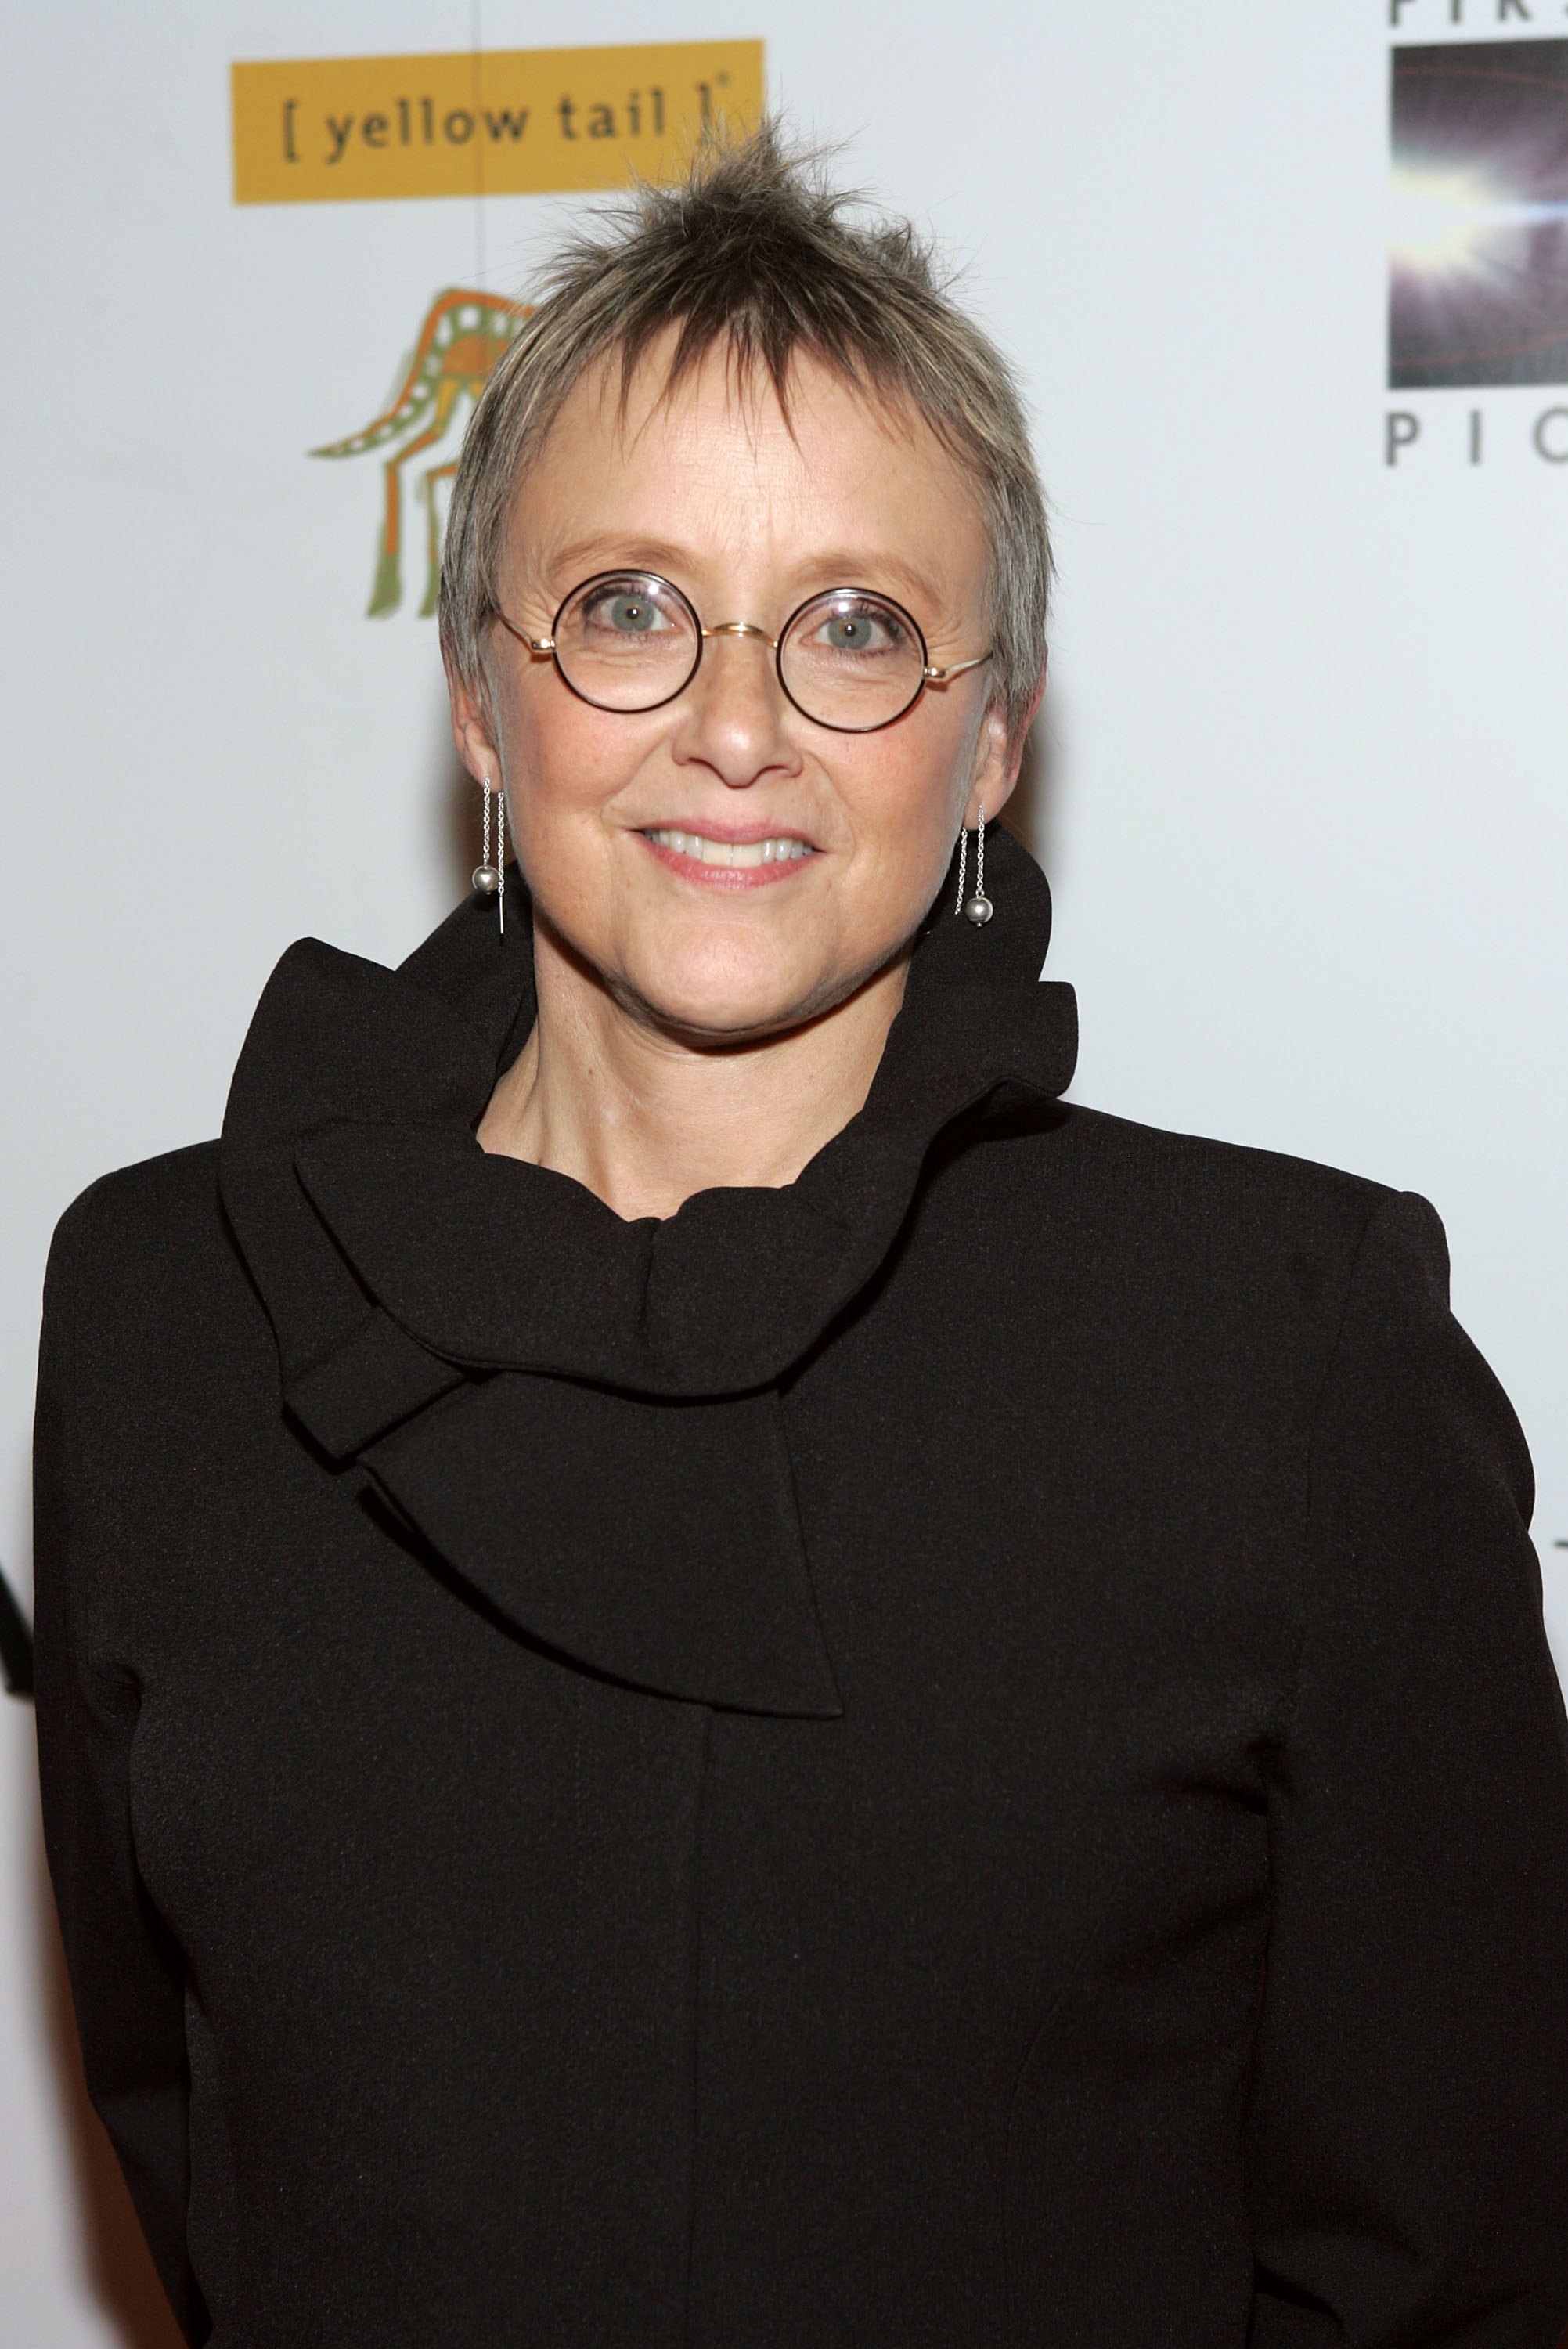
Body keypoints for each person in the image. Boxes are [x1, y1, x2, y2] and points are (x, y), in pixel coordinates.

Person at [34, 124, 1568, 2349]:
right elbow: (202, 2159)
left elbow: (1458, 2266)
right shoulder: (169, 1310)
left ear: (989, 743)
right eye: (628, 607)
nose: (736, 726)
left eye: (857, 624)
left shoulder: (1276, 1345)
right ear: (479, 692)